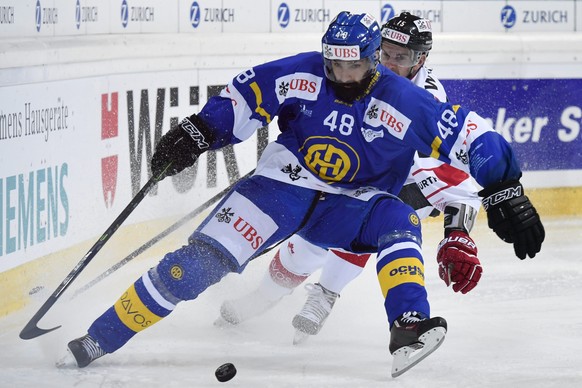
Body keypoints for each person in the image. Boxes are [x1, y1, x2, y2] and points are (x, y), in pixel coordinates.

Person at [66, 12, 544, 378]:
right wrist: (197, 132)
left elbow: (470, 135)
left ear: (374, 59)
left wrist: (505, 188)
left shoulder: (404, 99)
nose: (339, 72)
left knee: (400, 220)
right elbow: (243, 99)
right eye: (333, 60)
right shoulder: (301, 72)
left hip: (351, 203)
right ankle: (98, 338)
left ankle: (408, 327)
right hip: (281, 187)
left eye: (352, 63)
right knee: (195, 267)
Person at [216, 13, 484, 345]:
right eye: (385, 53)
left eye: (401, 58)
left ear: (421, 60)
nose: (390, 63)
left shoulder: (427, 97)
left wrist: (457, 232)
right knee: (306, 248)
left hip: (402, 180)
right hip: (358, 171)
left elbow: (456, 177)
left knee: (373, 212)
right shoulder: (362, 74)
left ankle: (327, 292)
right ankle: (263, 298)